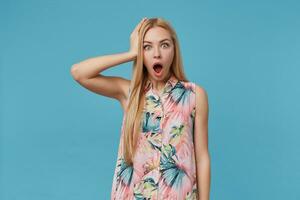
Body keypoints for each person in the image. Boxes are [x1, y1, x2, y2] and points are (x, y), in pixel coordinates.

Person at [70, 17, 210, 200]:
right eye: (147, 47)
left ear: (174, 50)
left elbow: (202, 158)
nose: (157, 54)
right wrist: (130, 54)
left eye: (165, 45)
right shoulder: (130, 93)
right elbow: (79, 73)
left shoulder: (194, 95)